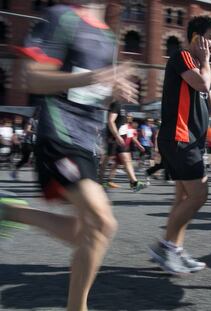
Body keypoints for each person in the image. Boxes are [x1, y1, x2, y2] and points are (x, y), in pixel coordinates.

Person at [0, 1, 138, 310]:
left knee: (85, 231)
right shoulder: (60, 17)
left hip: (89, 141)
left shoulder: (108, 35)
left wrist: (113, 92)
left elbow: (92, 92)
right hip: (59, 133)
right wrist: (94, 78)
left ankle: (10, 212)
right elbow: (34, 79)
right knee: (102, 223)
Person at [149, 16, 211, 274]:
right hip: (180, 138)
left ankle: (173, 251)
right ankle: (165, 248)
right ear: (196, 37)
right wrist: (207, 63)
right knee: (199, 195)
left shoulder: (198, 65)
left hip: (189, 141)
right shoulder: (183, 57)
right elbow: (203, 83)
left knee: (183, 198)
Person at [99, 102, 144, 190]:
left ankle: (134, 182)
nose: (129, 94)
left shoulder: (124, 107)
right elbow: (111, 121)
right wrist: (117, 136)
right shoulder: (116, 104)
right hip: (114, 137)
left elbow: (125, 125)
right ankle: (100, 182)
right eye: (128, 92)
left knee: (127, 159)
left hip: (122, 137)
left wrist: (135, 142)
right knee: (107, 160)